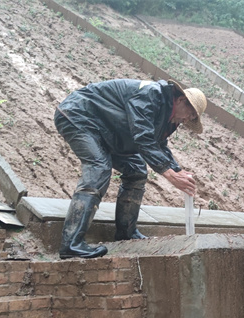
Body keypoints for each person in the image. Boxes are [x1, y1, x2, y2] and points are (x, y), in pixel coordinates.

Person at [53, 78, 206, 259]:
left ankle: (126, 233)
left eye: (193, 119)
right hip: (80, 116)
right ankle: (71, 244)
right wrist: (169, 174)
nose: (188, 119)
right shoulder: (152, 94)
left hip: (108, 132)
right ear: (181, 100)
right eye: (191, 114)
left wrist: (177, 170)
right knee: (99, 168)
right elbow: (142, 136)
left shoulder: (169, 118)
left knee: (137, 171)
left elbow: (159, 144)